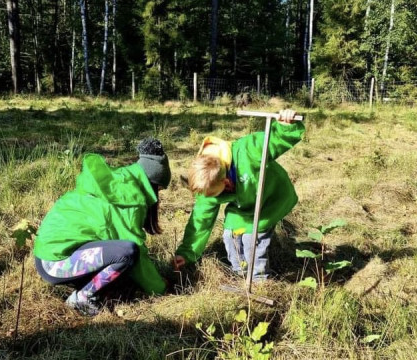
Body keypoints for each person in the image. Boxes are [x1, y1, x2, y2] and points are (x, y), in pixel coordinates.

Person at [33, 138, 171, 316]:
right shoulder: (130, 200)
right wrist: (159, 287)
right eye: (159, 189)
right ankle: (82, 297)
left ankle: (91, 287)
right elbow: (136, 254)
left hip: (47, 256)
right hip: (54, 264)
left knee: (122, 263)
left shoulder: (120, 183)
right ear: (153, 183)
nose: (158, 196)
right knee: (127, 252)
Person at [174, 109, 304, 281]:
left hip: (269, 199)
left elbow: (273, 141)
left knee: (252, 240)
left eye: (215, 195)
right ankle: (241, 274)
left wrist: (285, 126)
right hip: (243, 204)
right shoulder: (207, 182)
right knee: (230, 236)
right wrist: (187, 253)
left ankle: (259, 280)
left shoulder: (248, 151)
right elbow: (201, 221)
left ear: (226, 183)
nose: (210, 199)